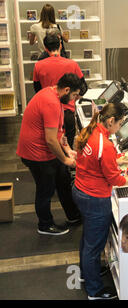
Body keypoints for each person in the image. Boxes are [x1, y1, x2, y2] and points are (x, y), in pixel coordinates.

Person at [72, 103, 128, 300]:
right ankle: (95, 291)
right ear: (111, 121)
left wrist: (117, 160)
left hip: (80, 190)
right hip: (95, 198)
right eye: (120, 123)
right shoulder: (105, 145)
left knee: (88, 239)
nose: (120, 127)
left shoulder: (92, 130)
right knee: (94, 246)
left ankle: (85, 274)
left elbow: (96, 163)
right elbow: (116, 180)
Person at [16, 73, 83, 236]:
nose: (73, 100)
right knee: (45, 189)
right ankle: (45, 225)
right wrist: (66, 160)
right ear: (67, 89)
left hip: (42, 148)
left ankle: (73, 216)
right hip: (36, 154)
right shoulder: (51, 102)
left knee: (63, 179)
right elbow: (51, 140)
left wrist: (67, 150)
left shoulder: (54, 94)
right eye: (74, 95)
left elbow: (58, 131)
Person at [33, 34, 88, 149]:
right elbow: (83, 87)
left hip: (48, 112)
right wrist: (75, 97)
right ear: (61, 46)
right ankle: (67, 164)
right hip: (67, 112)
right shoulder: (72, 64)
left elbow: (37, 91)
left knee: (52, 145)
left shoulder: (38, 66)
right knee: (68, 146)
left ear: (45, 48)